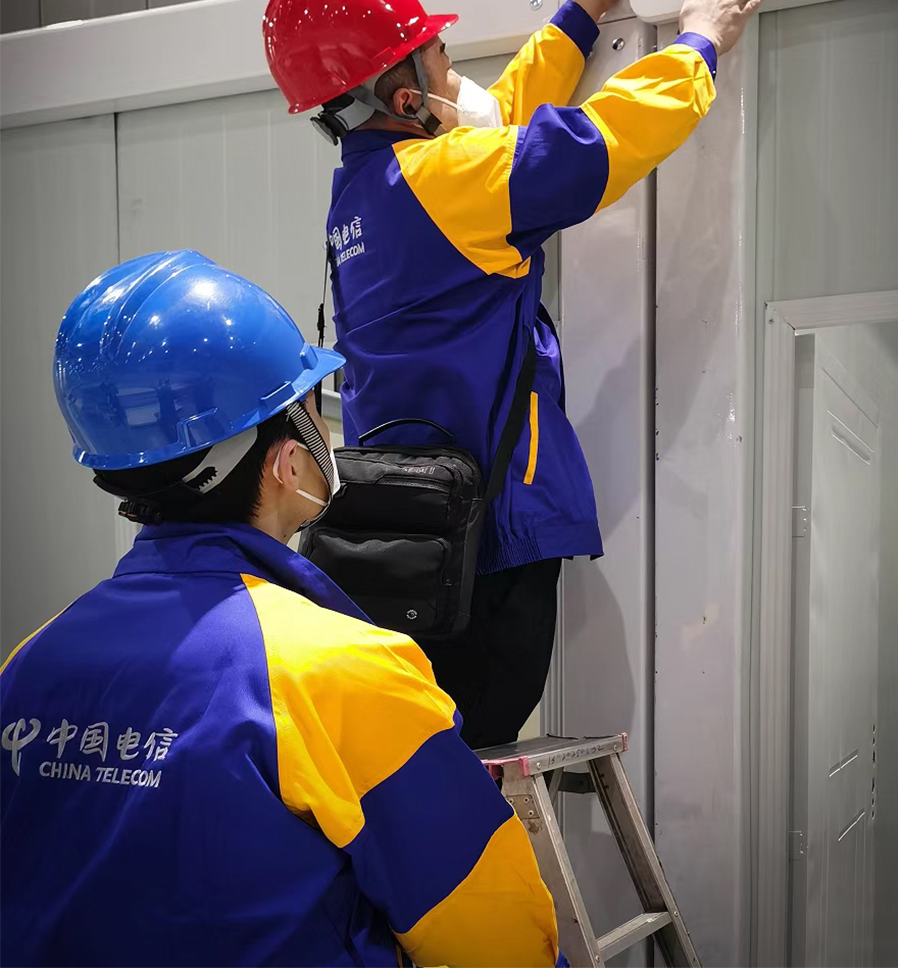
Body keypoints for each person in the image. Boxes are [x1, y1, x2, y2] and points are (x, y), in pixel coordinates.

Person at [263, 0, 768, 749]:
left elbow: (497, 125)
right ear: (403, 92)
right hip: (487, 540)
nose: (453, 69)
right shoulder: (446, 179)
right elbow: (591, 146)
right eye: (440, 56)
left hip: (411, 538)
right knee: (471, 753)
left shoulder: (366, 193)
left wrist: (585, 10)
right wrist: (699, 43)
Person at [0, 251, 564, 968]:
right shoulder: (341, 672)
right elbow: (496, 936)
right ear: (283, 462)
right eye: (309, 412)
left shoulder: (31, 659)